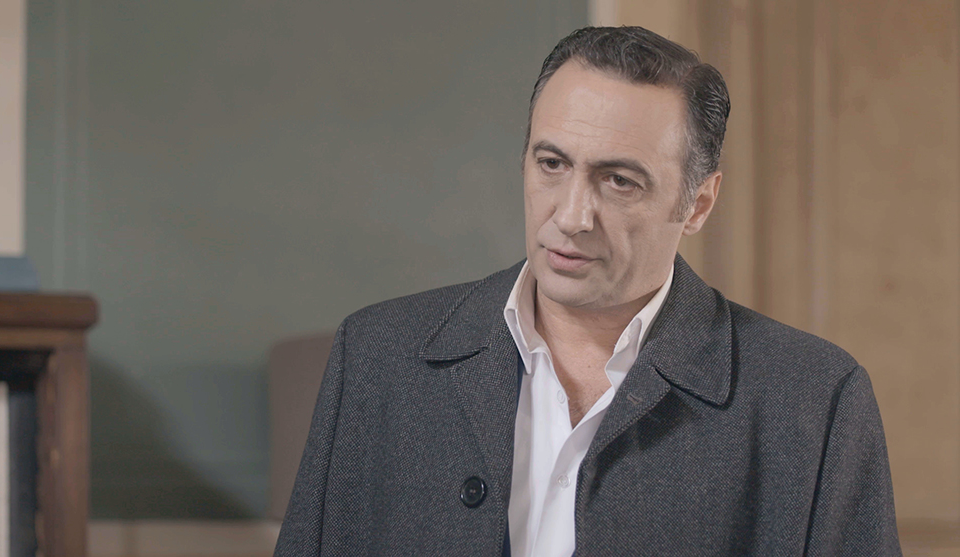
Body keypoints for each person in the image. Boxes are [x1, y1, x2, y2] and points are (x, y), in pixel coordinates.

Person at [274, 26, 900, 556]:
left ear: (699, 203)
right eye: (552, 164)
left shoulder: (814, 400)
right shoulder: (377, 354)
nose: (571, 216)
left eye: (619, 180)